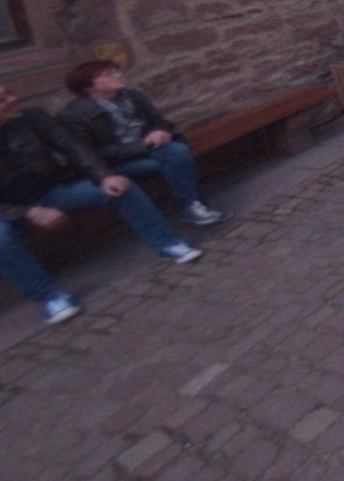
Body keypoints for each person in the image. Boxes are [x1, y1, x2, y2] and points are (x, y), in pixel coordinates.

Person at [1, 84, 202, 324]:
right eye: (2, 99)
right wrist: (28, 213)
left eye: (10, 93)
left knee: (121, 188)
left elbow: (74, 148)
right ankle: (50, 297)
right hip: (9, 210)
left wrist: (103, 176)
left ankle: (169, 243)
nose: (13, 100)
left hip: (54, 189)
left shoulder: (31, 118)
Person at [57, 62, 227, 227]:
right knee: (176, 158)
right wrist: (143, 144)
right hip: (115, 166)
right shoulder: (73, 115)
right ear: (89, 87)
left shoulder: (133, 97)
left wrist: (160, 132)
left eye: (117, 71)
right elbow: (91, 155)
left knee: (176, 152)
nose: (118, 75)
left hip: (150, 150)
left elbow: (161, 122)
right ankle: (194, 207)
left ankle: (194, 208)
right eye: (109, 74)